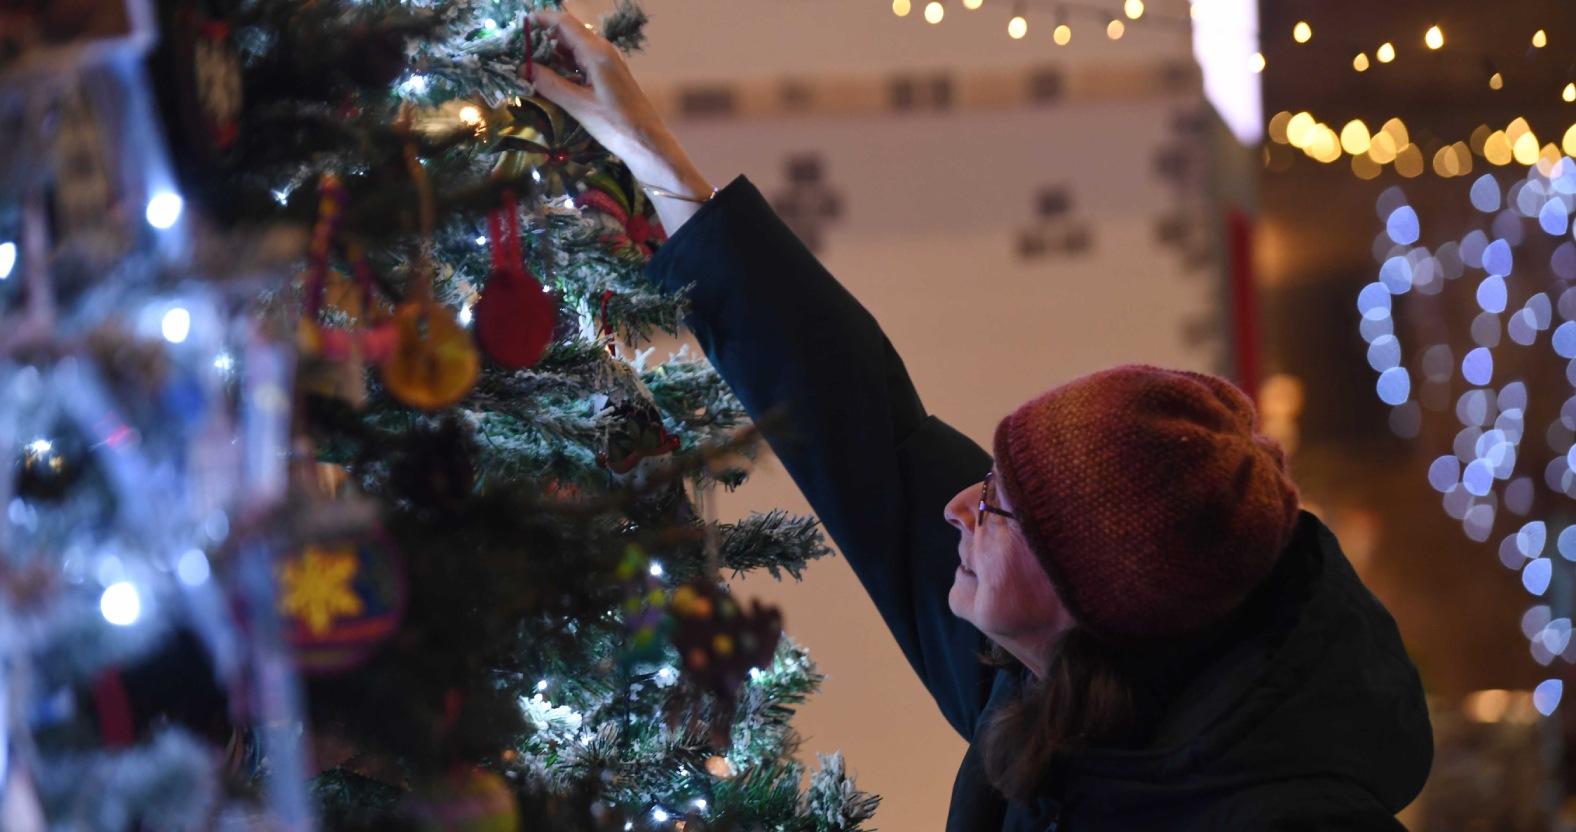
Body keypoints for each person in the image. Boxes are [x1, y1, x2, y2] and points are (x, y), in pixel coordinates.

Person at [530, 10, 1434, 830]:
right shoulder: (1061, 689)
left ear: (1093, 597)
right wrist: (652, 154)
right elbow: (866, 430)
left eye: (1000, 506)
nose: (960, 504)